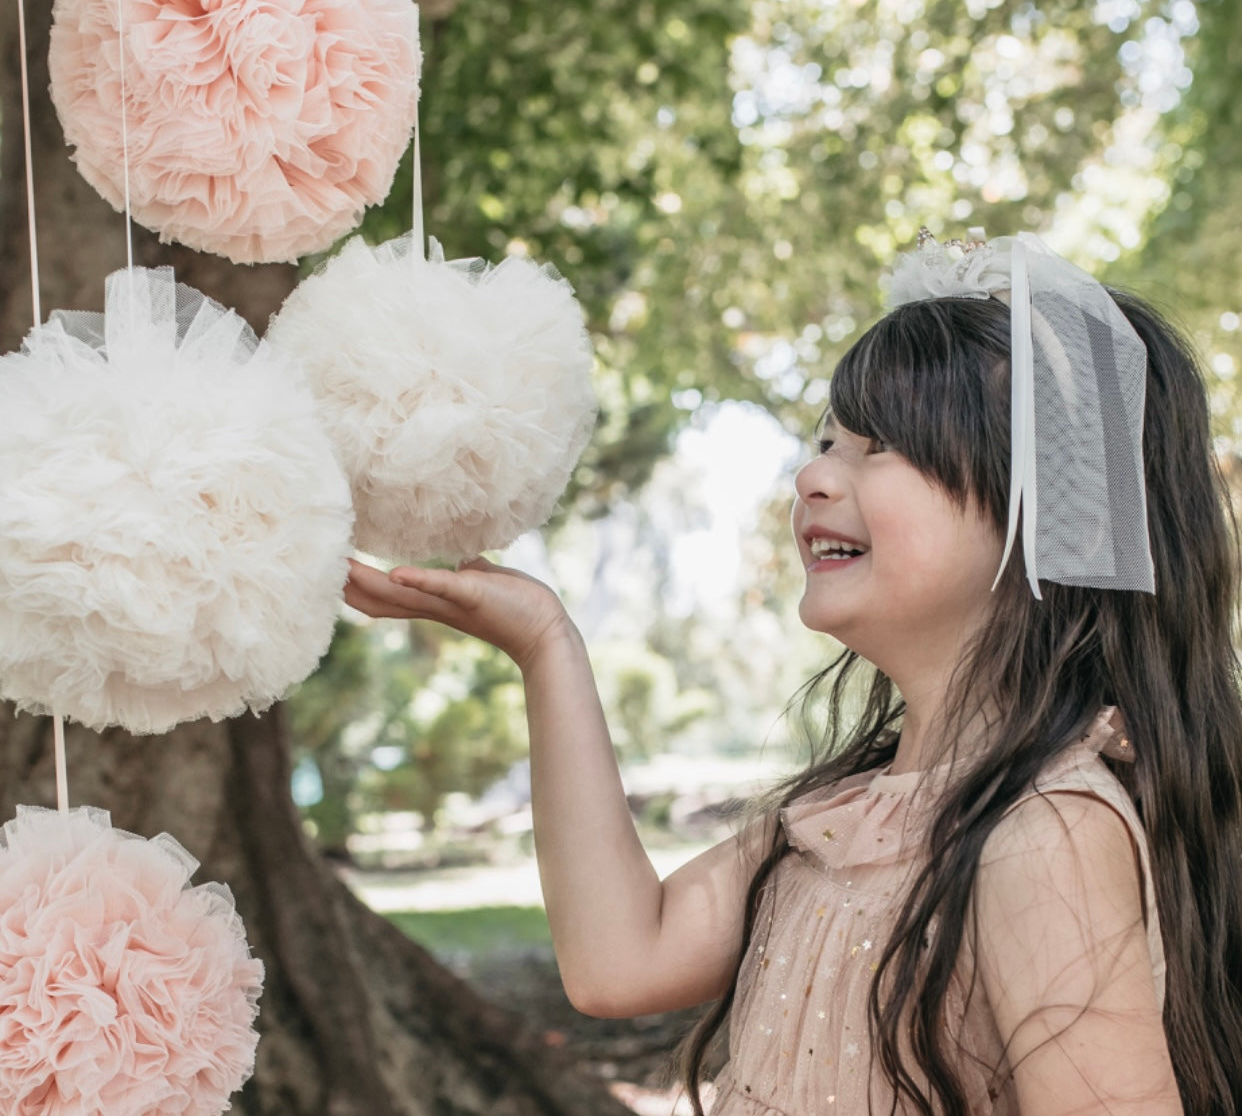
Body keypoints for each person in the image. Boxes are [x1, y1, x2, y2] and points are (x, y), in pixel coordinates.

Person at [344, 231, 1242, 1114]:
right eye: (825, 440)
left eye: (877, 443)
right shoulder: (851, 811)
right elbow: (618, 960)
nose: (814, 473)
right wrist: (546, 645)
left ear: (1042, 516)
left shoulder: (1045, 830)